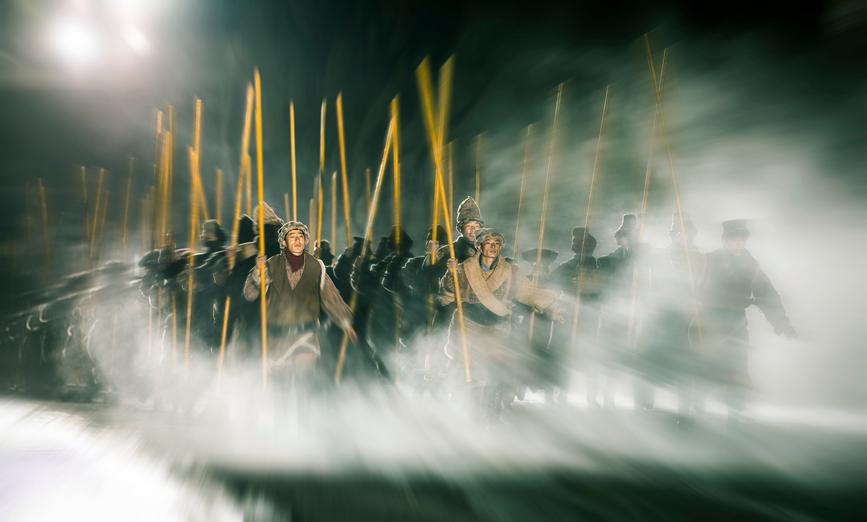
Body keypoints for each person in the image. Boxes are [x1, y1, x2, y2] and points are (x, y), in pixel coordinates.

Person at [439, 228, 562, 416]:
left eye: (497, 243)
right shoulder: (464, 268)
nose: (493, 247)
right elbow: (448, 291)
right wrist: (451, 273)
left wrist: (552, 307)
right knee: (463, 364)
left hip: (497, 326)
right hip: (468, 324)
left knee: (498, 365)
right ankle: (457, 399)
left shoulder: (511, 272)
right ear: (479, 246)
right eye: (489, 243)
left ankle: (496, 401)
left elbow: (528, 291)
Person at [693, 219, 796, 417]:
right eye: (734, 239)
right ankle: (697, 407)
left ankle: (735, 409)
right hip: (709, 320)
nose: (738, 243)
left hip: (736, 321)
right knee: (704, 362)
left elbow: (767, 295)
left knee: (737, 364)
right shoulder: (707, 260)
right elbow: (686, 281)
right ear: (724, 240)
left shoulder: (751, 266)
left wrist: (782, 323)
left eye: (742, 239)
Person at [243, 221, 356, 399]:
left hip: (306, 334)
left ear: (305, 241)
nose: (297, 241)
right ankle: (280, 420)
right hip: (277, 337)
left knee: (304, 383)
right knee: (280, 387)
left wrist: (345, 321)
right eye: (292, 237)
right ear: (283, 242)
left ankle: (304, 420)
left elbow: (330, 297)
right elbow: (250, 294)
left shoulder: (316, 267)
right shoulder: (270, 265)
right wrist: (257, 275)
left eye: (301, 237)